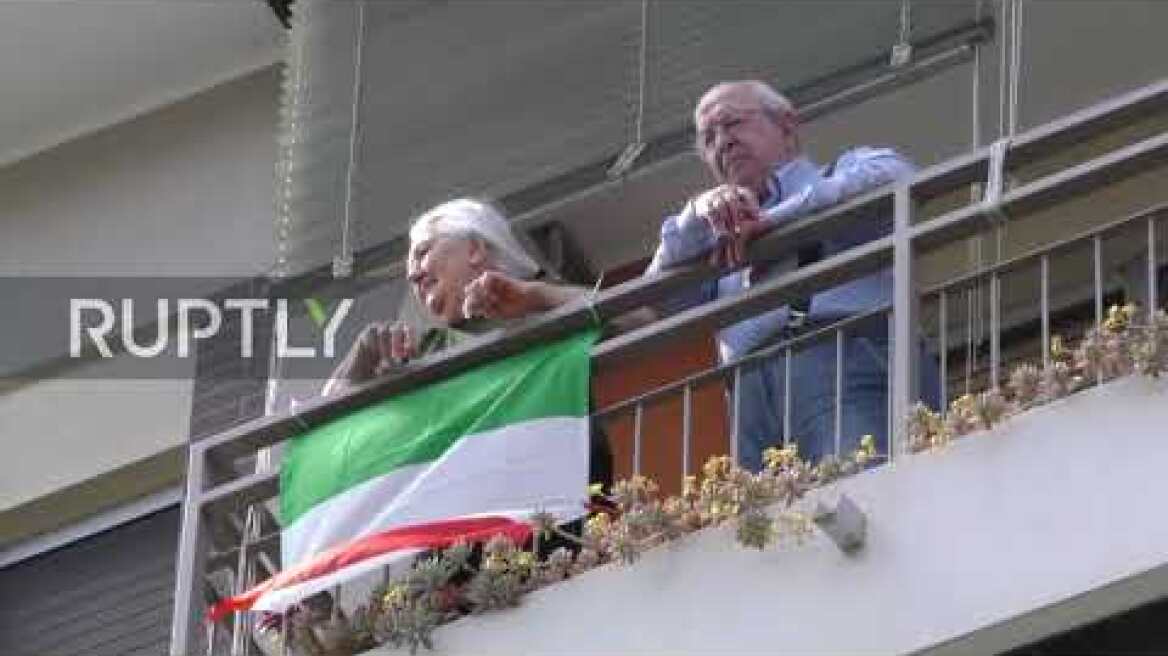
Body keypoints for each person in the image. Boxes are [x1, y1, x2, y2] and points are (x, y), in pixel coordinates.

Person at [645, 80, 935, 470]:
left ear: (786, 125)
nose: (722, 142)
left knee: (861, 485)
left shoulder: (843, 172)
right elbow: (656, 296)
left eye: (732, 123)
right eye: (708, 138)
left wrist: (774, 221)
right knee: (773, 511)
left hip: (842, 355)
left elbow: (897, 176)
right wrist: (696, 212)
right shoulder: (715, 235)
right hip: (751, 393)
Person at [326, 197, 612, 487]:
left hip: (557, 490)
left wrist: (535, 296)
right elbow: (322, 427)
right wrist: (362, 355)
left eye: (423, 252)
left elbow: (633, 316)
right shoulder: (423, 348)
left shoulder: (548, 307)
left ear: (475, 249)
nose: (413, 275)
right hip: (470, 502)